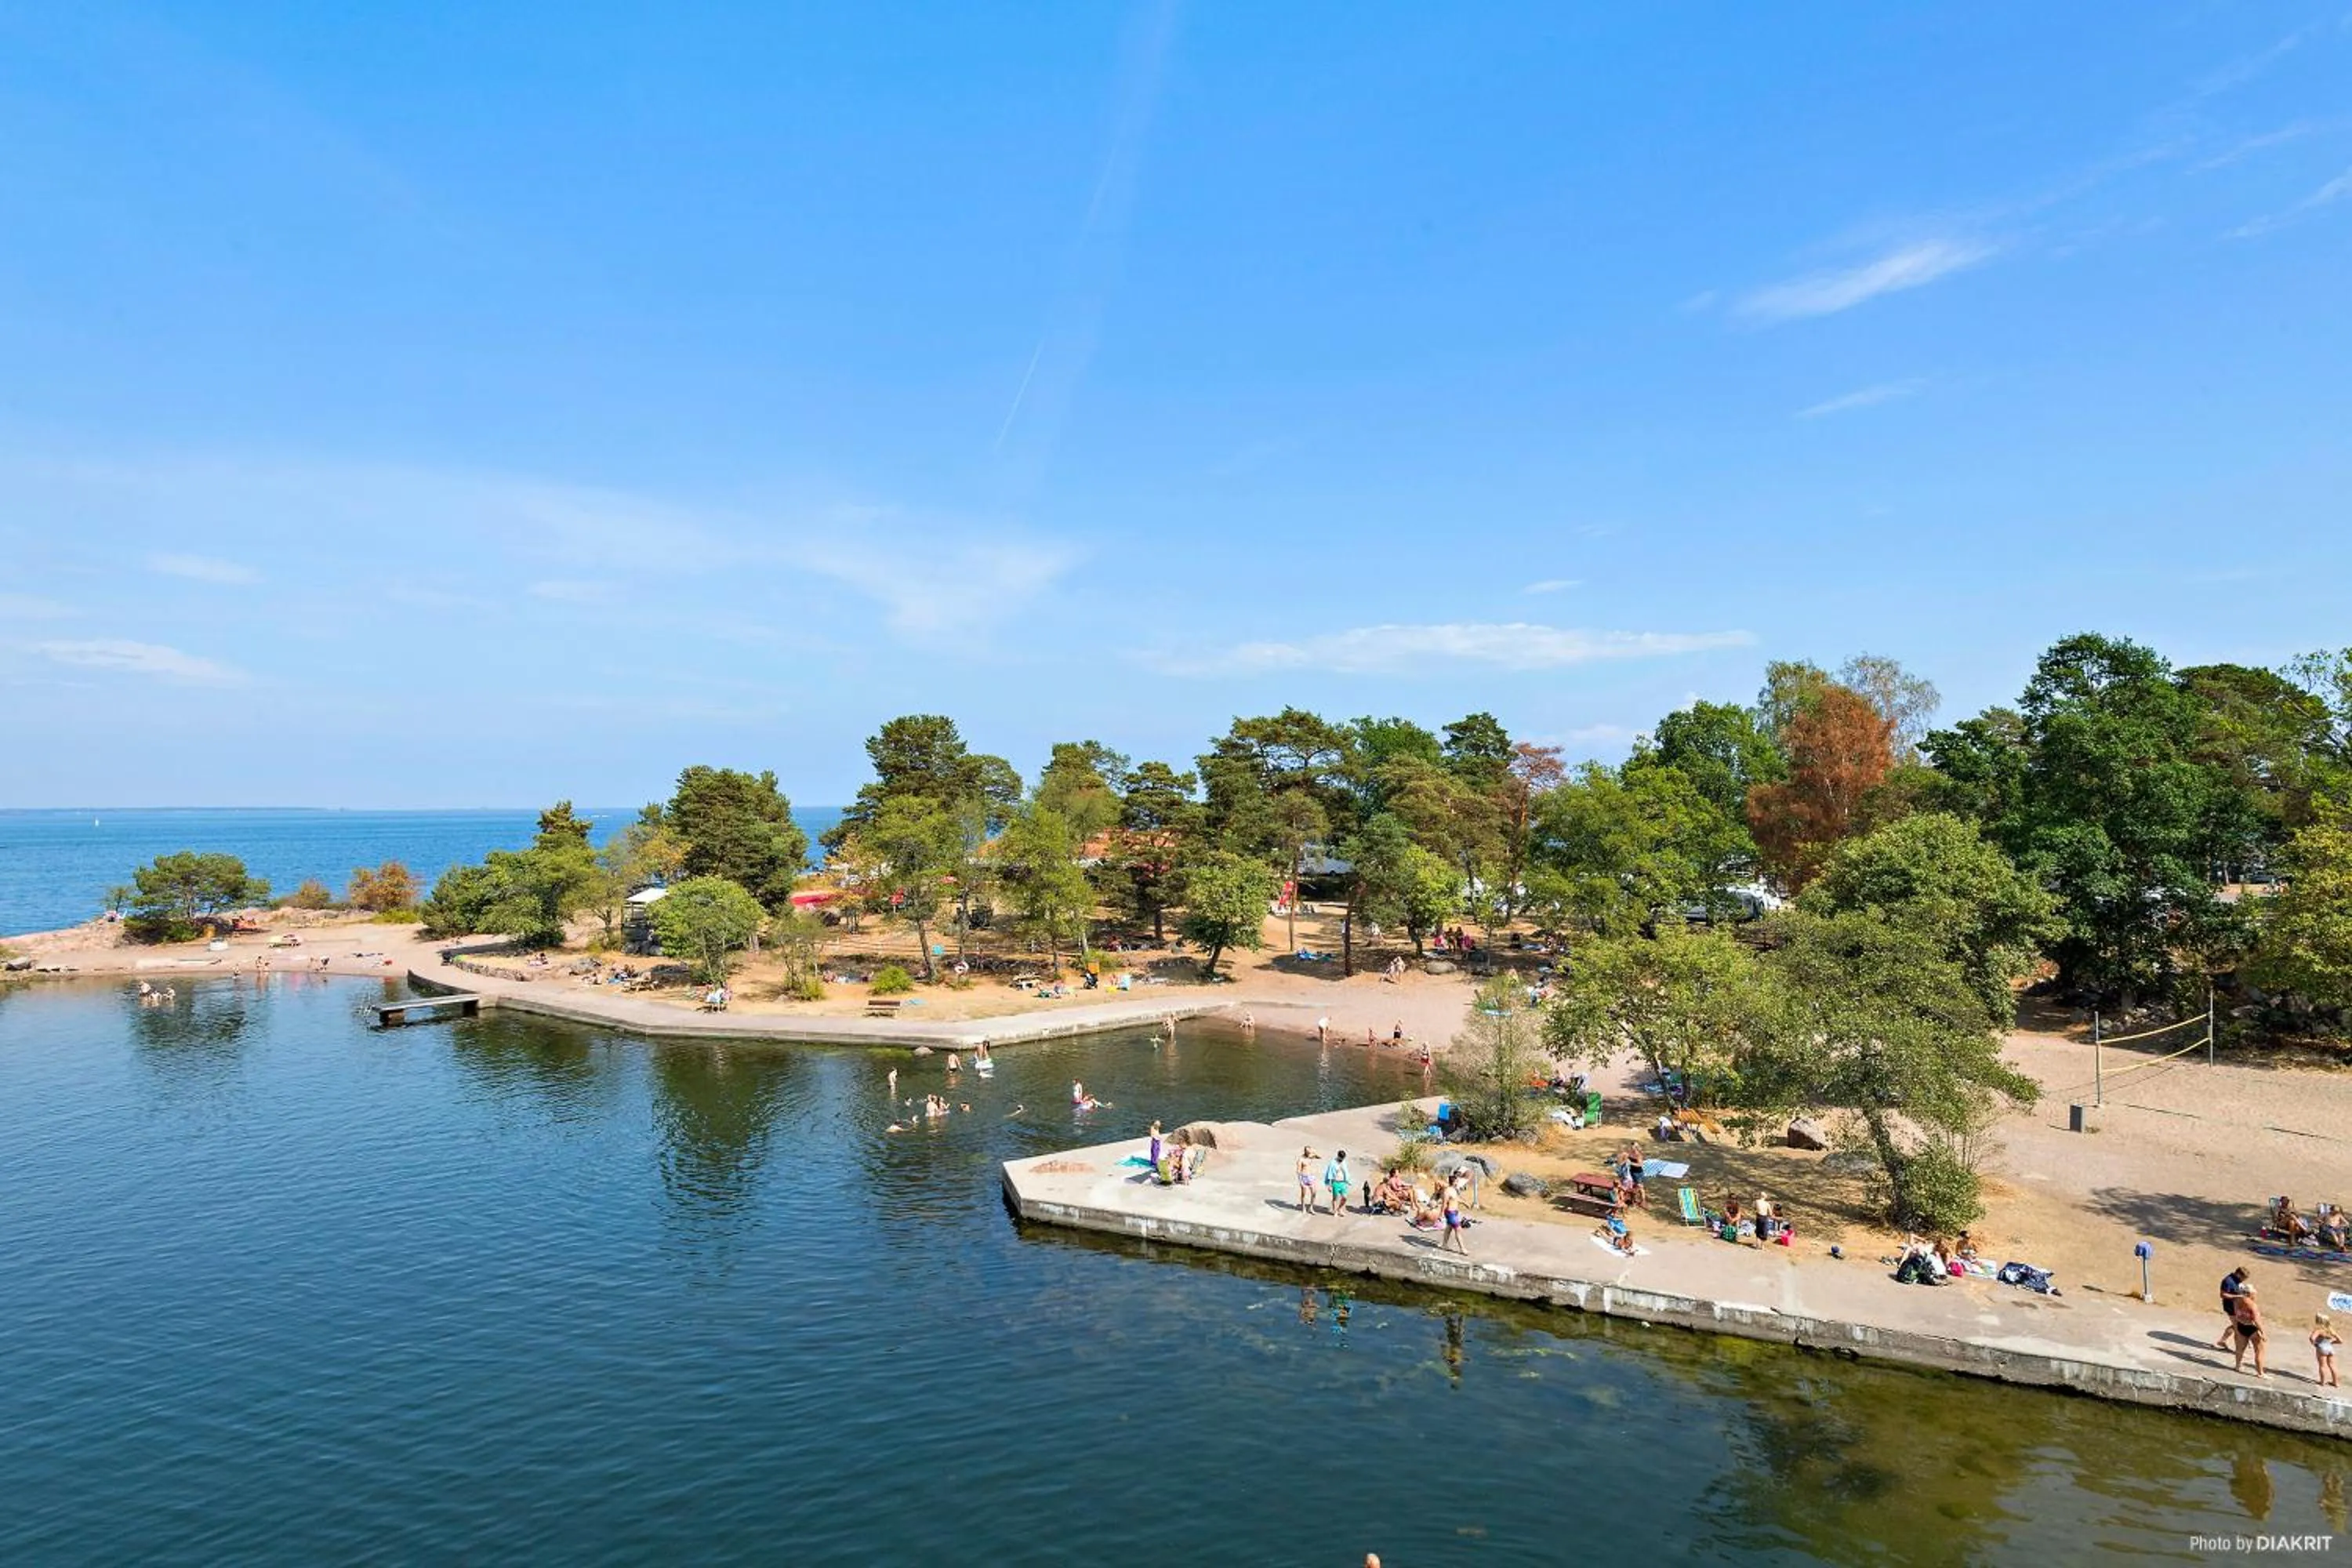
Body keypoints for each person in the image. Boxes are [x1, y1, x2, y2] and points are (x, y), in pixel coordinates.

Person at [2231, 1290, 2267, 1377]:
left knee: (2240, 1348)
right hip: (2252, 1328)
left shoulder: (2237, 1301)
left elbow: (2236, 1314)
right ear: (2250, 1294)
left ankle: (2238, 1366)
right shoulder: (2252, 1305)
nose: (2255, 1295)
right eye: (2254, 1294)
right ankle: (2260, 1372)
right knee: (2259, 1350)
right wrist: (2263, 1332)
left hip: (2241, 1325)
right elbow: (2256, 1320)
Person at [2216, 1269, 2253, 1351]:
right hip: (2230, 1307)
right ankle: (2239, 1350)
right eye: (2244, 1278)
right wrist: (2239, 1297)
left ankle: (2222, 1341)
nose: (2244, 1280)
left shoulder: (2236, 1281)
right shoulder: (2227, 1281)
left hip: (2237, 1306)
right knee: (2238, 1329)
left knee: (2236, 1326)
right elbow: (2223, 1295)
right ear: (2239, 1274)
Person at [1439, 1178, 1469, 1254]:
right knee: (1458, 1229)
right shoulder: (1447, 1191)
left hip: (1455, 1212)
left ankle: (1444, 1245)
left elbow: (1456, 1199)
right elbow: (1444, 1203)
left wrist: (1464, 1203)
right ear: (1454, 1182)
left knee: (1449, 1229)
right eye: (1457, 1181)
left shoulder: (1454, 1190)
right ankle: (1462, 1249)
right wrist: (1441, 1214)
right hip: (1450, 1213)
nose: (1458, 1183)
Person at [2314, 1314, 2341, 1388]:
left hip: (2322, 1348)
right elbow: (2340, 1341)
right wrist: (2332, 1342)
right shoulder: (2331, 1330)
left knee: (2322, 1366)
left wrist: (2315, 1344)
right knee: (2332, 1366)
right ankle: (2336, 1383)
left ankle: (2322, 1382)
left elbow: (2311, 1338)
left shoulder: (2319, 1330)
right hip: (2330, 1348)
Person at [1323, 1149, 1352, 1217]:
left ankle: (1340, 1209)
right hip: (1335, 1182)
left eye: (1343, 1158)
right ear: (1338, 1156)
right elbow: (1329, 1174)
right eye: (1341, 1158)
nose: (1342, 1159)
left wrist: (1348, 1181)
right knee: (1335, 1198)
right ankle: (1335, 1211)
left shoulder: (1343, 1162)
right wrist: (1329, 1185)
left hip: (1343, 1183)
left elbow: (1346, 1172)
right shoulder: (1333, 1163)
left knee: (1345, 1198)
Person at [1297, 1147, 1319, 1212]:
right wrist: (1300, 1182)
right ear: (1305, 1151)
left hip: (1311, 1177)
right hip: (1304, 1177)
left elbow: (1319, 1157)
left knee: (1314, 1193)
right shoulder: (1301, 1159)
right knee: (1304, 1194)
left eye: (1310, 1152)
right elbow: (1298, 1171)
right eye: (1308, 1152)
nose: (1309, 1153)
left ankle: (1311, 1207)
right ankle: (1303, 1207)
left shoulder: (1311, 1156)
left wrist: (1314, 1151)